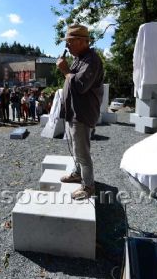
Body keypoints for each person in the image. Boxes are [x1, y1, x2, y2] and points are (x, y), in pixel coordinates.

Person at [56, 24, 104, 200]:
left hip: (83, 114)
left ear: (83, 42)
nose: (67, 46)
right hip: (74, 112)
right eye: (67, 42)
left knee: (82, 152)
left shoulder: (91, 60)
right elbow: (72, 81)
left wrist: (65, 70)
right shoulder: (79, 58)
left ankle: (88, 186)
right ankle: (77, 173)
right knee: (77, 149)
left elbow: (80, 85)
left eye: (70, 41)